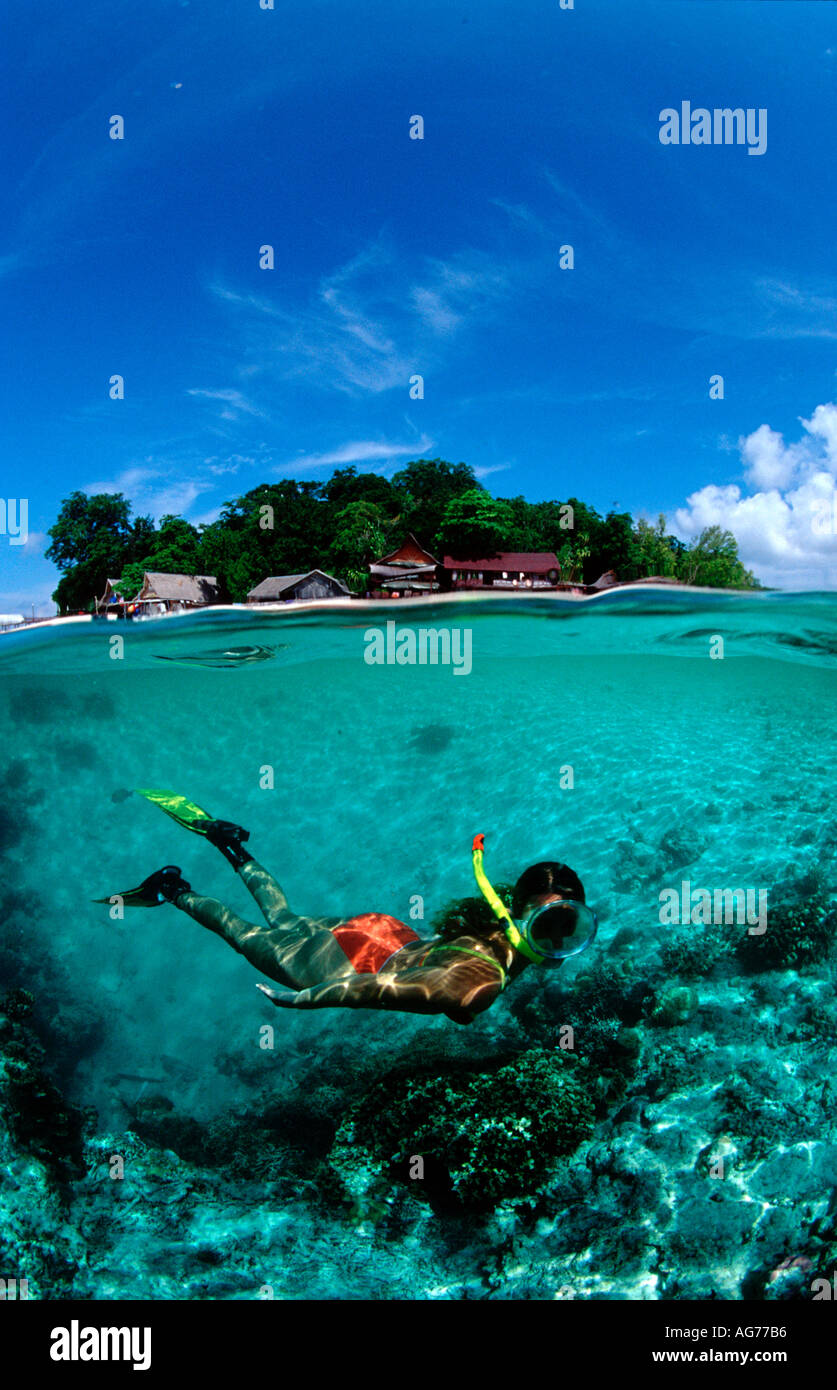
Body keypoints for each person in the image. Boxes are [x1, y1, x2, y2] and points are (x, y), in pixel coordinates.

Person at [98, 792, 597, 1026]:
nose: (559, 943)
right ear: (520, 915)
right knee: (245, 935)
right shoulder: (477, 988)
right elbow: (371, 991)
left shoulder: (499, 930)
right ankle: (174, 889)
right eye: (552, 926)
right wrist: (307, 999)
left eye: (571, 927)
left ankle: (230, 845)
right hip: (355, 961)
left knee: (286, 919)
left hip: (385, 930)